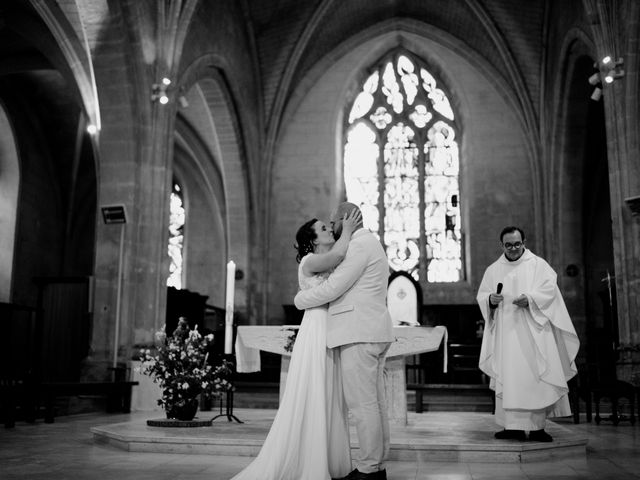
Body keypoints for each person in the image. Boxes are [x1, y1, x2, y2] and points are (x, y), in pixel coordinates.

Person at [230, 209, 361, 480]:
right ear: (312, 241)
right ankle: (311, 462)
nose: (329, 231)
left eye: (328, 227)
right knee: (316, 389)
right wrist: (347, 230)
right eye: (323, 229)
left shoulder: (323, 260)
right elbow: (337, 256)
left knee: (331, 394)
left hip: (333, 326)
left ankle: (331, 460)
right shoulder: (310, 261)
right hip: (317, 329)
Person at [294, 202, 394, 480]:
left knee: (364, 405)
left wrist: (300, 299)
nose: (332, 226)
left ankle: (369, 468)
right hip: (366, 329)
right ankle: (377, 465)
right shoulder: (363, 243)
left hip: (359, 331)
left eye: (332, 221)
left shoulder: (359, 245)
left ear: (345, 219)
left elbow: (335, 286)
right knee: (373, 404)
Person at [477, 226, 580, 442]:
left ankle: (537, 429)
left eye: (517, 243)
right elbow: (483, 294)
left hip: (535, 334)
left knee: (535, 378)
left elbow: (549, 291)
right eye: (508, 245)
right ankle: (511, 427)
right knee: (509, 377)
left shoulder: (539, 266)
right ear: (501, 245)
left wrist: (531, 300)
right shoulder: (493, 270)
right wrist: (490, 301)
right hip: (506, 337)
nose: (513, 248)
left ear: (524, 242)